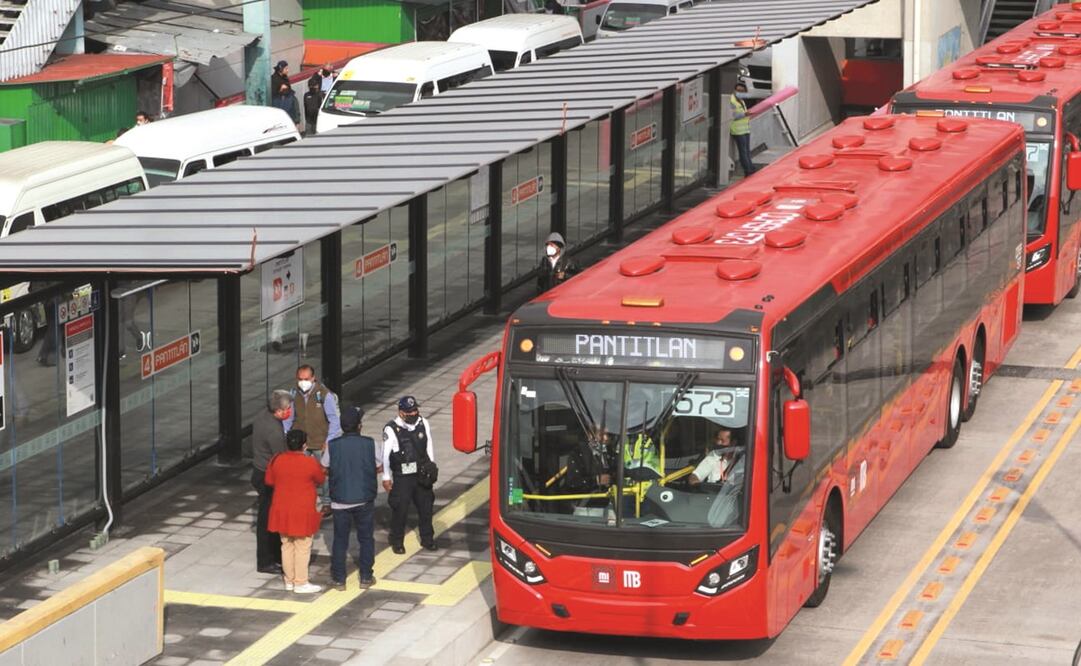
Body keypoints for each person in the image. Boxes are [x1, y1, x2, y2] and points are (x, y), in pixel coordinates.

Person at [323, 406, 381, 590]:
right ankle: (365, 576)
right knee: (366, 538)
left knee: (340, 539)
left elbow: (324, 468)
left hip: (340, 500)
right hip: (364, 498)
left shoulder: (332, 445)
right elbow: (379, 466)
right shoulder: (370, 443)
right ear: (360, 426)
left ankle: (339, 579)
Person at [266, 429, 327, 593]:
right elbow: (320, 479)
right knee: (303, 545)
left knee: (286, 545)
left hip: (281, 508)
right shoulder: (309, 462)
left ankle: (289, 580)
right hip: (302, 510)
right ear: (304, 445)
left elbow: (269, 480)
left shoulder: (276, 459)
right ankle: (301, 582)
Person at [284, 364, 342, 515]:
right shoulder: (293, 394)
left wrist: (328, 441)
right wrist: (287, 437)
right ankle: (303, 501)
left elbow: (334, 420)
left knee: (324, 474)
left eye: (306, 379)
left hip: (320, 443)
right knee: (301, 474)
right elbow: (288, 419)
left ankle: (327, 503)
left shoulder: (324, 394)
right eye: (300, 379)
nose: (303, 382)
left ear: (313, 378)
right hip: (301, 444)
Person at [383, 396, 437, 554]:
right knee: (401, 509)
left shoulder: (423, 422)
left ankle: (427, 539)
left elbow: (429, 444)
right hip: (403, 475)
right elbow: (385, 455)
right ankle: (397, 540)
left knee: (426, 508)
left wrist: (431, 466)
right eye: (410, 411)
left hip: (421, 472)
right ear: (401, 413)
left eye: (415, 410)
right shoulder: (391, 429)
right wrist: (386, 477)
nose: (414, 413)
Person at [251, 389, 293, 574]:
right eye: (288, 408)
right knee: (268, 519)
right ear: (280, 411)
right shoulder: (274, 431)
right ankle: (267, 560)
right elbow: (281, 458)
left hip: (259, 470)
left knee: (267, 516)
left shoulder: (262, 416)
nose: (290, 411)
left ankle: (273, 556)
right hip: (268, 476)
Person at [730, 81, 756, 177]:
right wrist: (745, 114)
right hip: (737, 130)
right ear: (734, 90)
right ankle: (748, 170)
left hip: (745, 129)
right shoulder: (731, 101)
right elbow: (732, 116)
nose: (740, 92)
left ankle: (751, 168)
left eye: (742, 91)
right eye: (738, 90)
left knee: (747, 150)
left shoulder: (741, 100)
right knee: (743, 151)